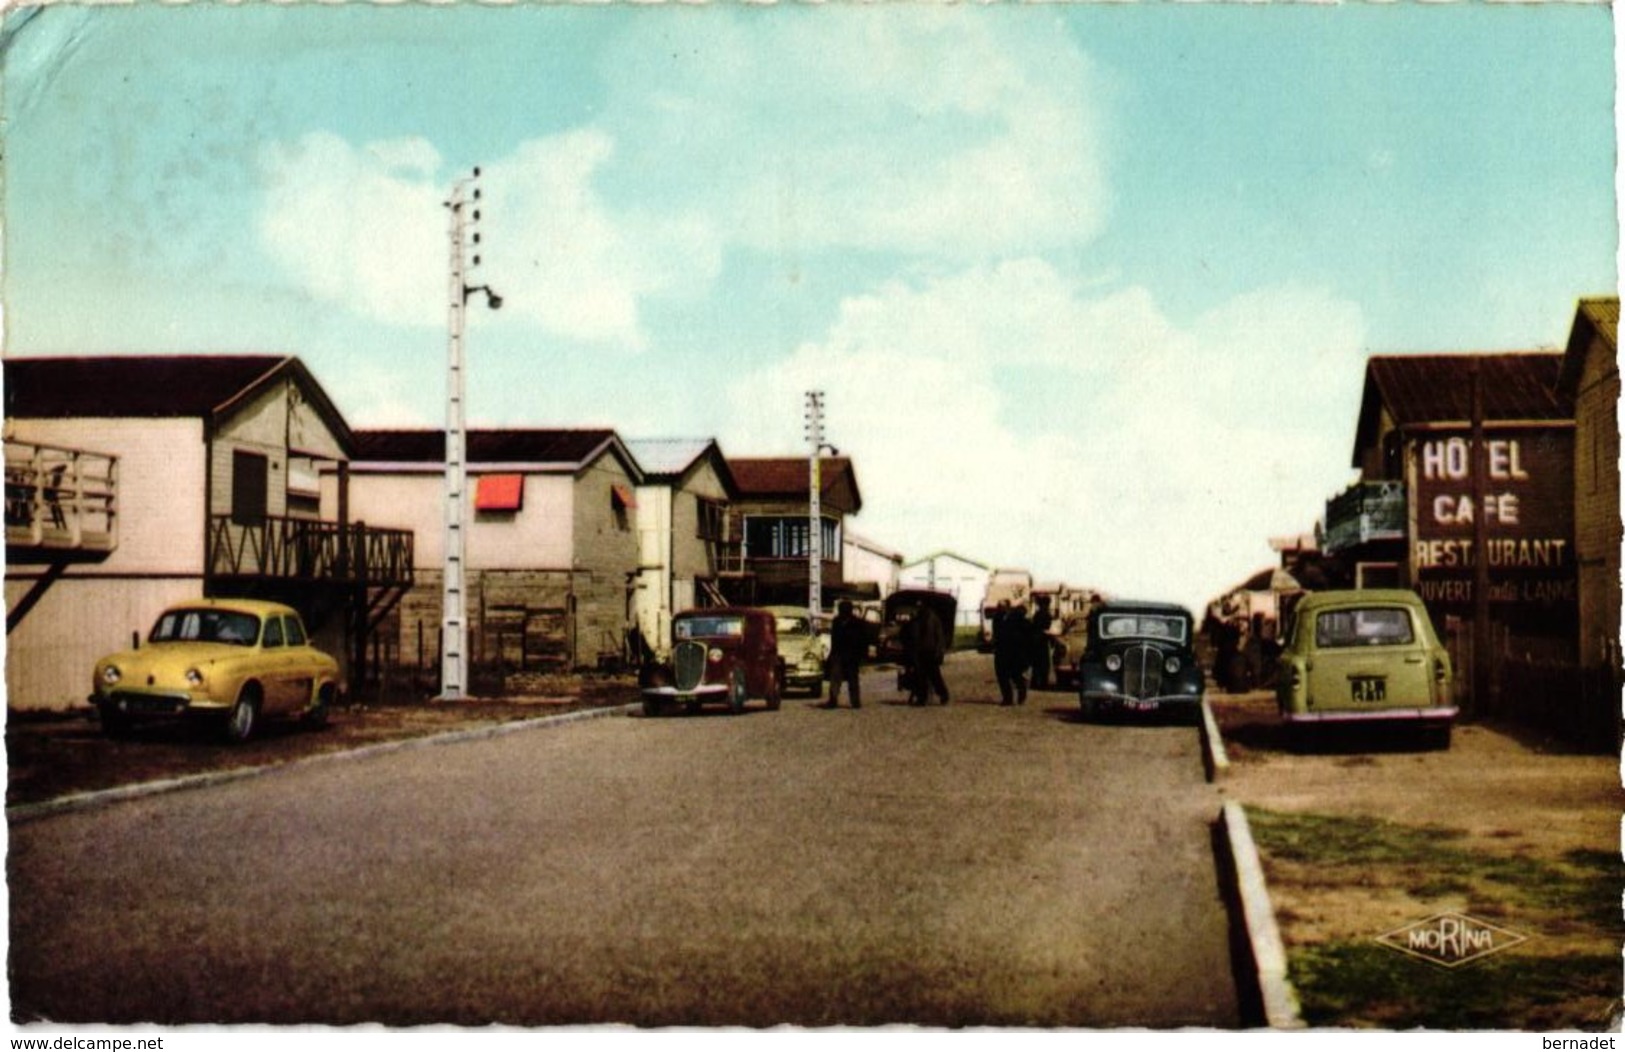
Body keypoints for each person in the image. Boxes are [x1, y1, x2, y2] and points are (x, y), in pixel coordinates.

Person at [821, 600, 867, 709]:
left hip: (852, 655)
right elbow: (834, 639)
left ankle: (855, 701)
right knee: (835, 678)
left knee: (853, 679)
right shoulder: (837, 622)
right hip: (838, 654)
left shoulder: (857, 623)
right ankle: (833, 700)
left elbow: (862, 640)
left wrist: (861, 656)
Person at [904, 601, 951, 706]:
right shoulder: (922, 619)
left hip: (930, 651)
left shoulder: (931, 619)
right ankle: (924, 697)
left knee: (933, 676)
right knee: (923, 676)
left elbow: (938, 636)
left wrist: (938, 651)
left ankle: (942, 695)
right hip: (924, 651)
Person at [993, 602, 1031, 706]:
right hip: (1015, 654)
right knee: (1014, 675)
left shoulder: (1004, 621)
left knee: (1004, 676)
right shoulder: (1024, 623)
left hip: (1005, 652)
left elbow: (998, 636)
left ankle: (1008, 698)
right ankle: (1018, 693)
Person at [1029, 595, 1054, 690]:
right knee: (1043, 664)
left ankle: (1036, 682)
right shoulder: (1044, 614)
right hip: (1041, 641)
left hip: (1037, 640)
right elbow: (1044, 628)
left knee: (1037, 664)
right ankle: (1042, 683)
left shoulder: (1038, 613)